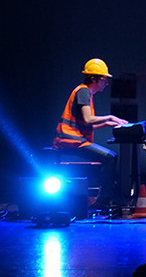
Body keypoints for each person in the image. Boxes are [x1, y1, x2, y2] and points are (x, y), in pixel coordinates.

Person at [53, 58, 129, 207]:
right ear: (94, 79)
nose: (106, 83)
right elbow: (88, 119)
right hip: (70, 141)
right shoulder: (84, 91)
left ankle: (103, 198)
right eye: (104, 79)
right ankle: (103, 200)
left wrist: (105, 124)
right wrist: (110, 117)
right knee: (110, 157)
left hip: (75, 139)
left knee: (110, 157)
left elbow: (84, 125)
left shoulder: (85, 92)